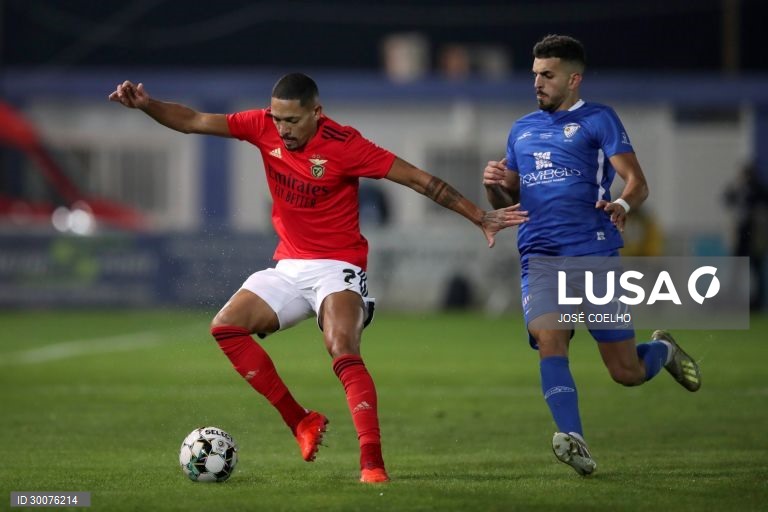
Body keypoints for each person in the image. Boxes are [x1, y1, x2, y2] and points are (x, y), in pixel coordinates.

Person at [109, 72, 528, 484]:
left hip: (338, 267)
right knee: (225, 328)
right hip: (290, 265)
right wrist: (147, 105)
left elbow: (421, 180)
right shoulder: (261, 125)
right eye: (278, 119)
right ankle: (300, 421)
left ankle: (372, 463)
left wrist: (479, 216)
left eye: (292, 120)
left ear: (317, 113)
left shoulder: (346, 145)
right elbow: (193, 120)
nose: (283, 129)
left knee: (341, 347)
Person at [482, 35, 702, 476]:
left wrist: (621, 205)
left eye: (547, 75)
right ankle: (574, 439)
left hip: (593, 254)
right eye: (535, 75)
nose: (537, 83)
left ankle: (662, 350)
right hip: (540, 256)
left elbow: (637, 182)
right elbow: (508, 201)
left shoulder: (599, 119)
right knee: (550, 338)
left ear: (573, 79)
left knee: (626, 371)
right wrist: (493, 185)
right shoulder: (521, 129)